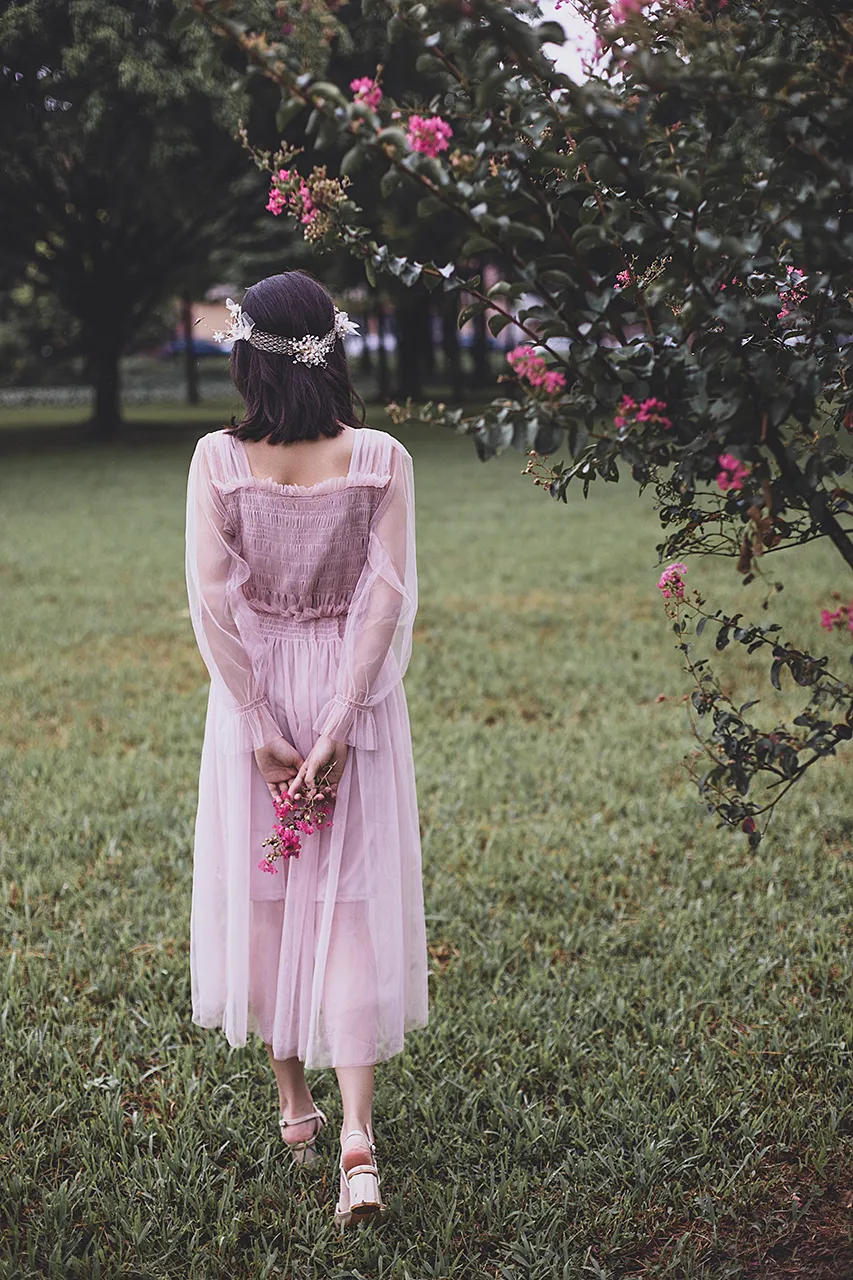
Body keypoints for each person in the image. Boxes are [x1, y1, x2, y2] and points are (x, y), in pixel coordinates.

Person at [184, 270, 428, 1227]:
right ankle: (357, 1138)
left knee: (264, 896)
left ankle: (295, 1107)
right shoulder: (381, 457)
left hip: (256, 696)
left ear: (250, 357)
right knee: (354, 903)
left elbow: (214, 601)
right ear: (333, 350)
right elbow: (386, 596)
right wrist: (340, 720)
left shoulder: (217, 459)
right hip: (348, 694)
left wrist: (260, 727)